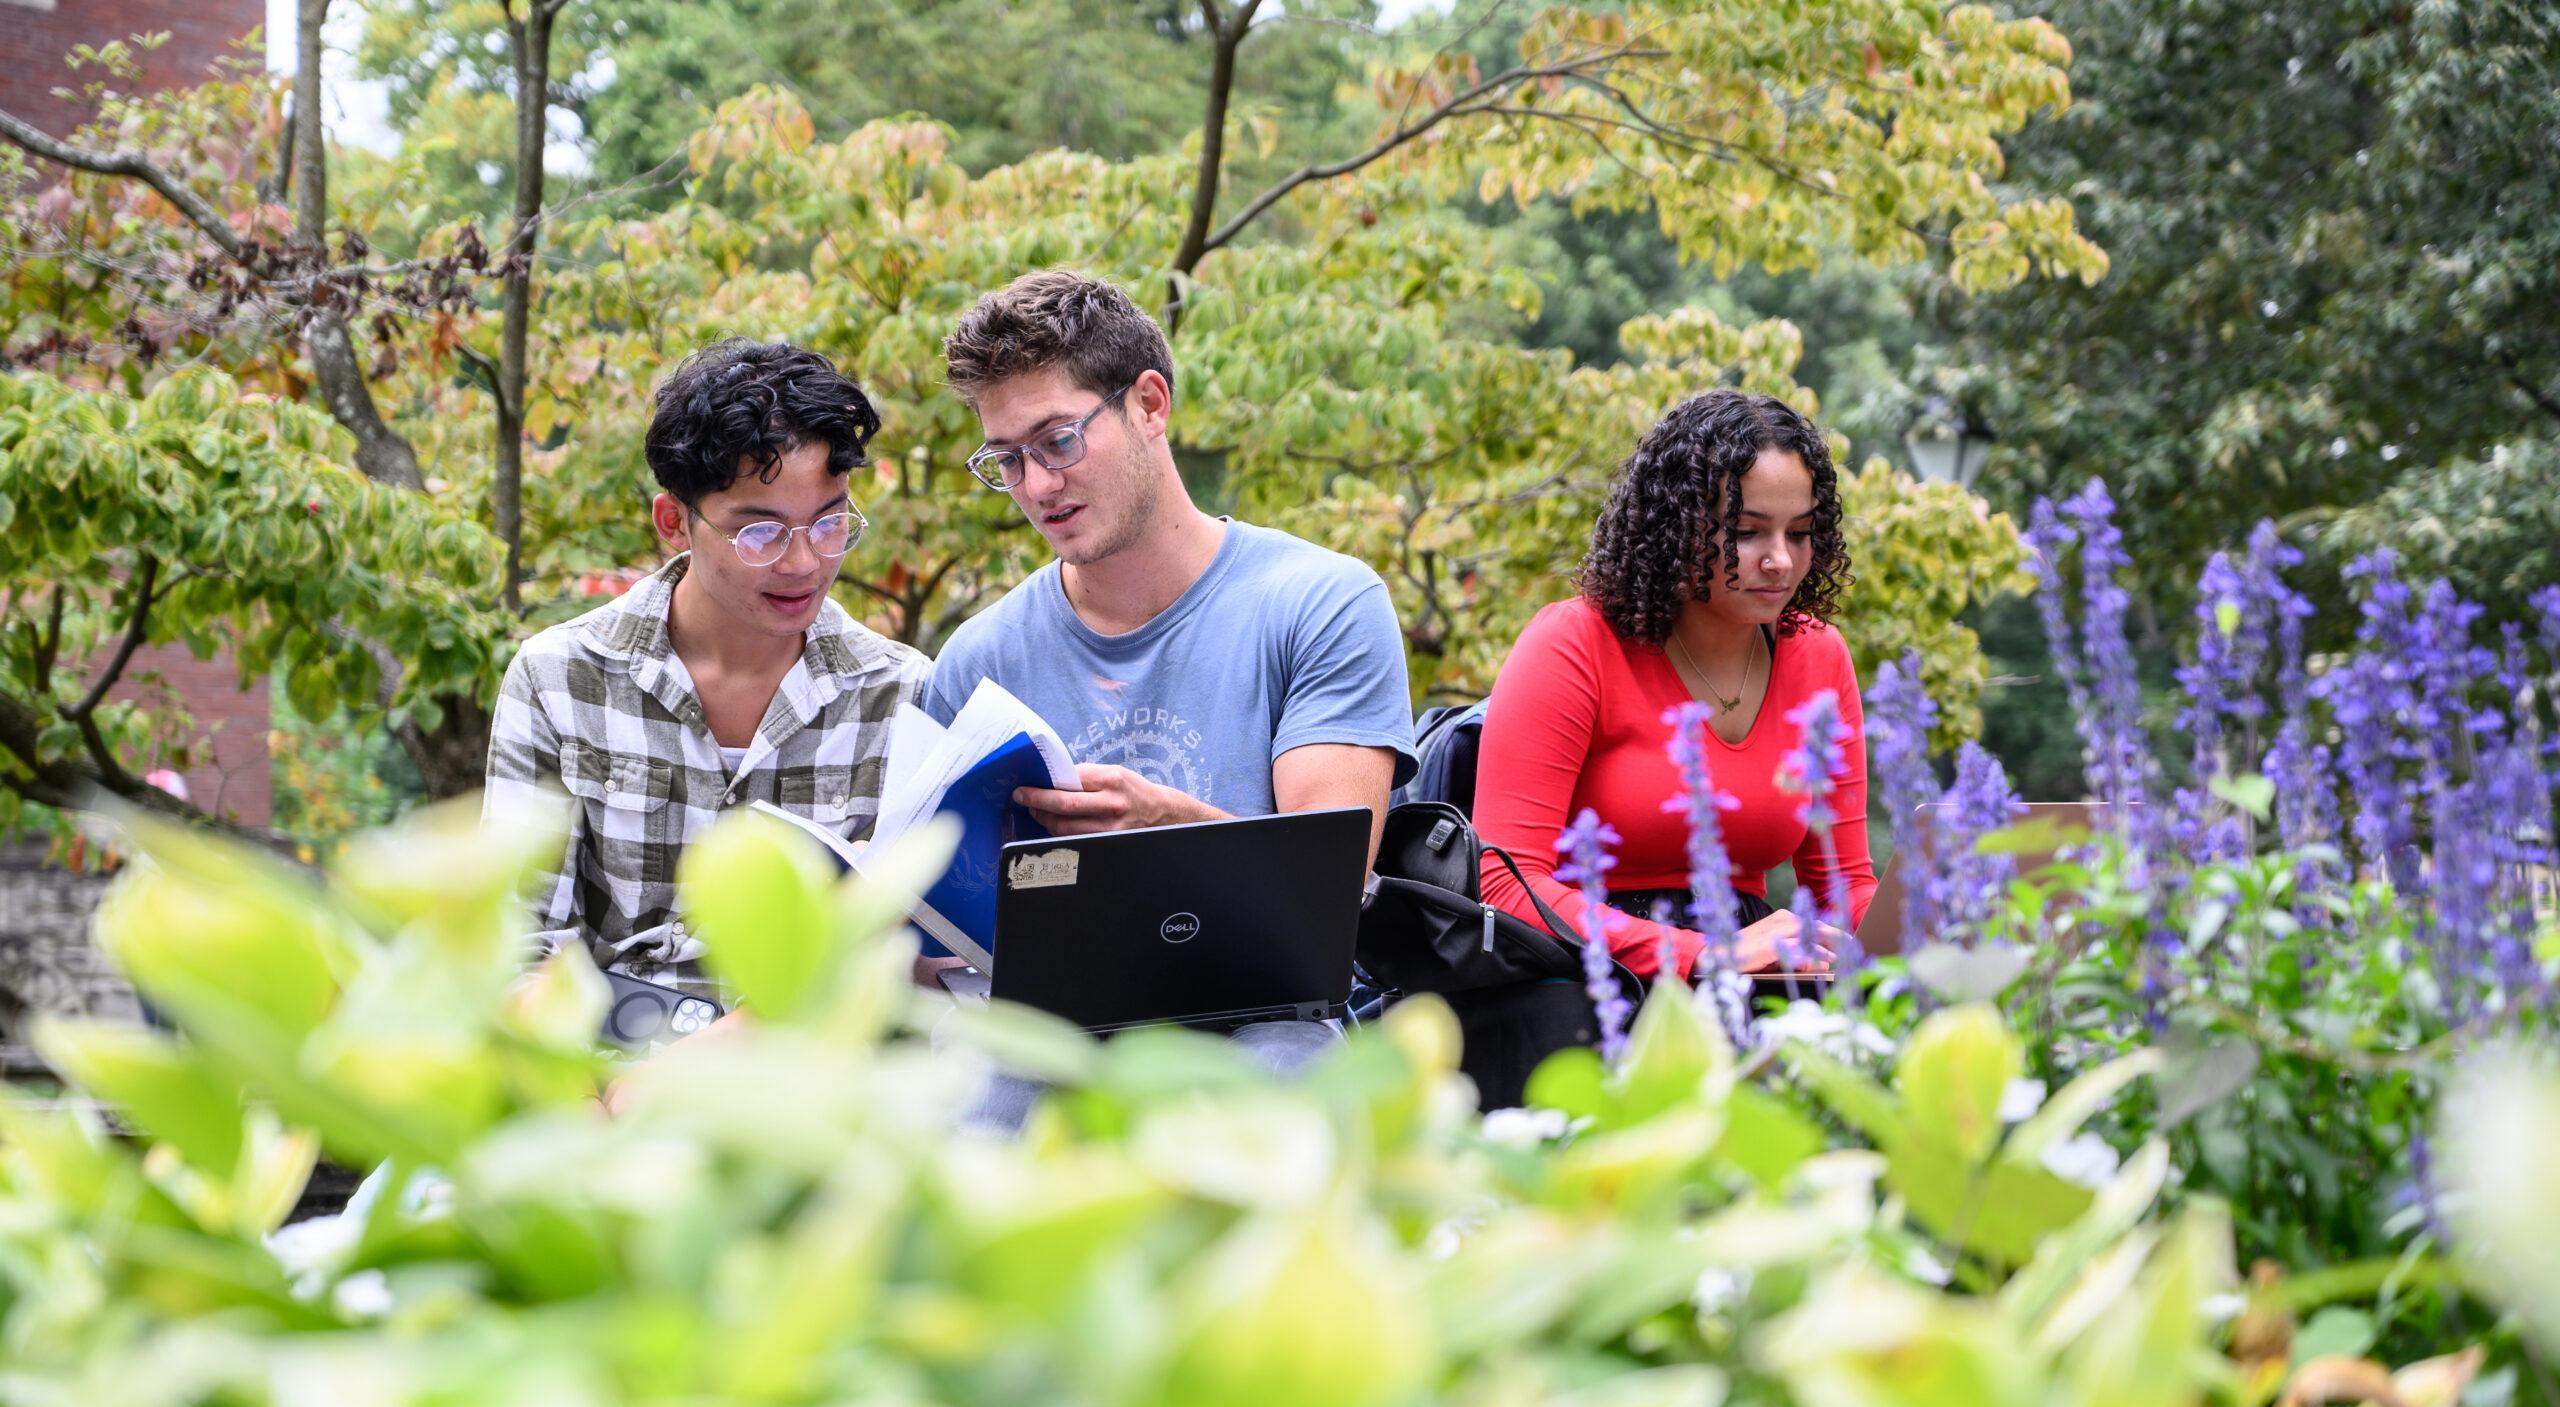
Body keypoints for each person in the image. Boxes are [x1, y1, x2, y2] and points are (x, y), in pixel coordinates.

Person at [926, 270, 1416, 1072]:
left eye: (1059, 441)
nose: (1038, 486)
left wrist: (1167, 827)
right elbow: (937, 946)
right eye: (1007, 461)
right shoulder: (979, 661)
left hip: (1264, 1018)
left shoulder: (1319, 602)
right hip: (1047, 1041)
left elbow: (1332, 892)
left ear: (1150, 404)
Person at [485, 339, 929, 1002]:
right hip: (604, 1064)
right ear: (675, 522)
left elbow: (902, 957)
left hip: (811, 1073)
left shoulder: (900, 694)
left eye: (830, 523)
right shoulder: (559, 678)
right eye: (761, 533)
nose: (804, 562)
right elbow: (521, 942)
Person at [1473, 389, 1876, 990]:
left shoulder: (1818, 655)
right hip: (1584, 981)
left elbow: (1842, 888)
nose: (1780, 561)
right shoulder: (1574, 643)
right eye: (1746, 532)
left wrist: (1936, 940)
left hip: (1754, 984)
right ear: (1675, 529)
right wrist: (1703, 954)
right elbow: (1504, 885)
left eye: (1799, 533)